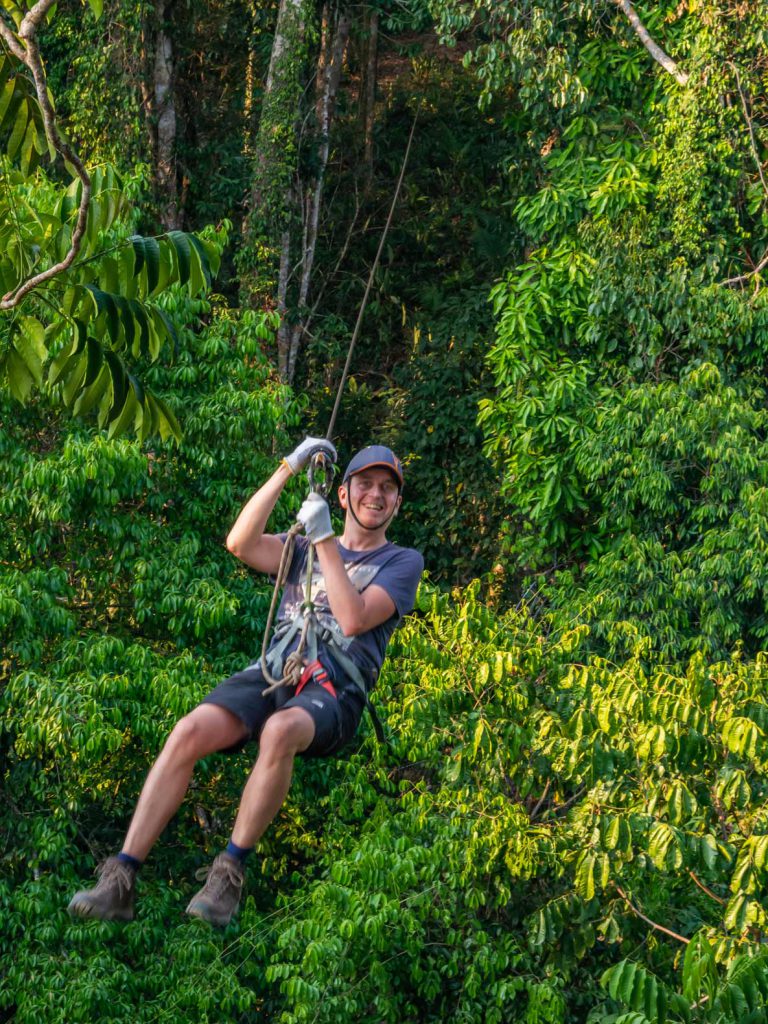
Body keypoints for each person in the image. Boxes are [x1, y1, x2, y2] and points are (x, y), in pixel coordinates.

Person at [67, 439, 424, 927]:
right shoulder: (300, 547)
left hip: (335, 690)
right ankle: (121, 878)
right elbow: (240, 542)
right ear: (343, 494)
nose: (375, 495)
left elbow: (353, 617)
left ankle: (229, 872)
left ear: (397, 503)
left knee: (279, 732)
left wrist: (323, 539)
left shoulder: (402, 562)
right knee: (188, 731)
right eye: (365, 484)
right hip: (277, 670)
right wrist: (288, 468)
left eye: (387, 489)